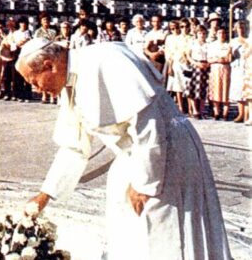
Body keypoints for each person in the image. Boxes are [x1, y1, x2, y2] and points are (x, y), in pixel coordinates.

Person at [16, 38, 232, 260]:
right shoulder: (69, 82)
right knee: (128, 230)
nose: (35, 88)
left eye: (33, 80)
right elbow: (74, 146)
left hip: (164, 153)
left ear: (49, 65)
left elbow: (148, 126)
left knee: (162, 229)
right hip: (135, 155)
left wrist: (145, 184)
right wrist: (45, 195)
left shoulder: (107, 59)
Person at [184, 25, 210, 119]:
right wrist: (195, 63)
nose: (202, 35)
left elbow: (211, 56)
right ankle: (195, 110)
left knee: (203, 89)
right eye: (200, 33)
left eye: (203, 33)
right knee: (192, 89)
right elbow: (188, 55)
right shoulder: (192, 43)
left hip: (205, 67)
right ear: (196, 34)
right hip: (195, 66)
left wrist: (208, 64)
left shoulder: (208, 44)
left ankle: (202, 110)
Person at [207, 27, 232, 120]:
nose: (221, 35)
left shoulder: (228, 45)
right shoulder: (212, 45)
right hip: (215, 68)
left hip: (225, 68)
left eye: (223, 33)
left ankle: (225, 113)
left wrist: (224, 59)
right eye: (219, 33)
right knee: (215, 90)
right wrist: (217, 59)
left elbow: (229, 59)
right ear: (216, 34)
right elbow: (209, 59)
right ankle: (216, 112)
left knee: (226, 90)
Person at [229, 20, 248, 122]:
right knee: (238, 90)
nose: (241, 30)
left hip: (247, 67)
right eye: (239, 28)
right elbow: (229, 57)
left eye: (242, 27)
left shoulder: (249, 40)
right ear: (236, 29)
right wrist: (232, 53)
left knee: (247, 90)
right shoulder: (233, 41)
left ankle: (247, 114)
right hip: (237, 68)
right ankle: (241, 113)